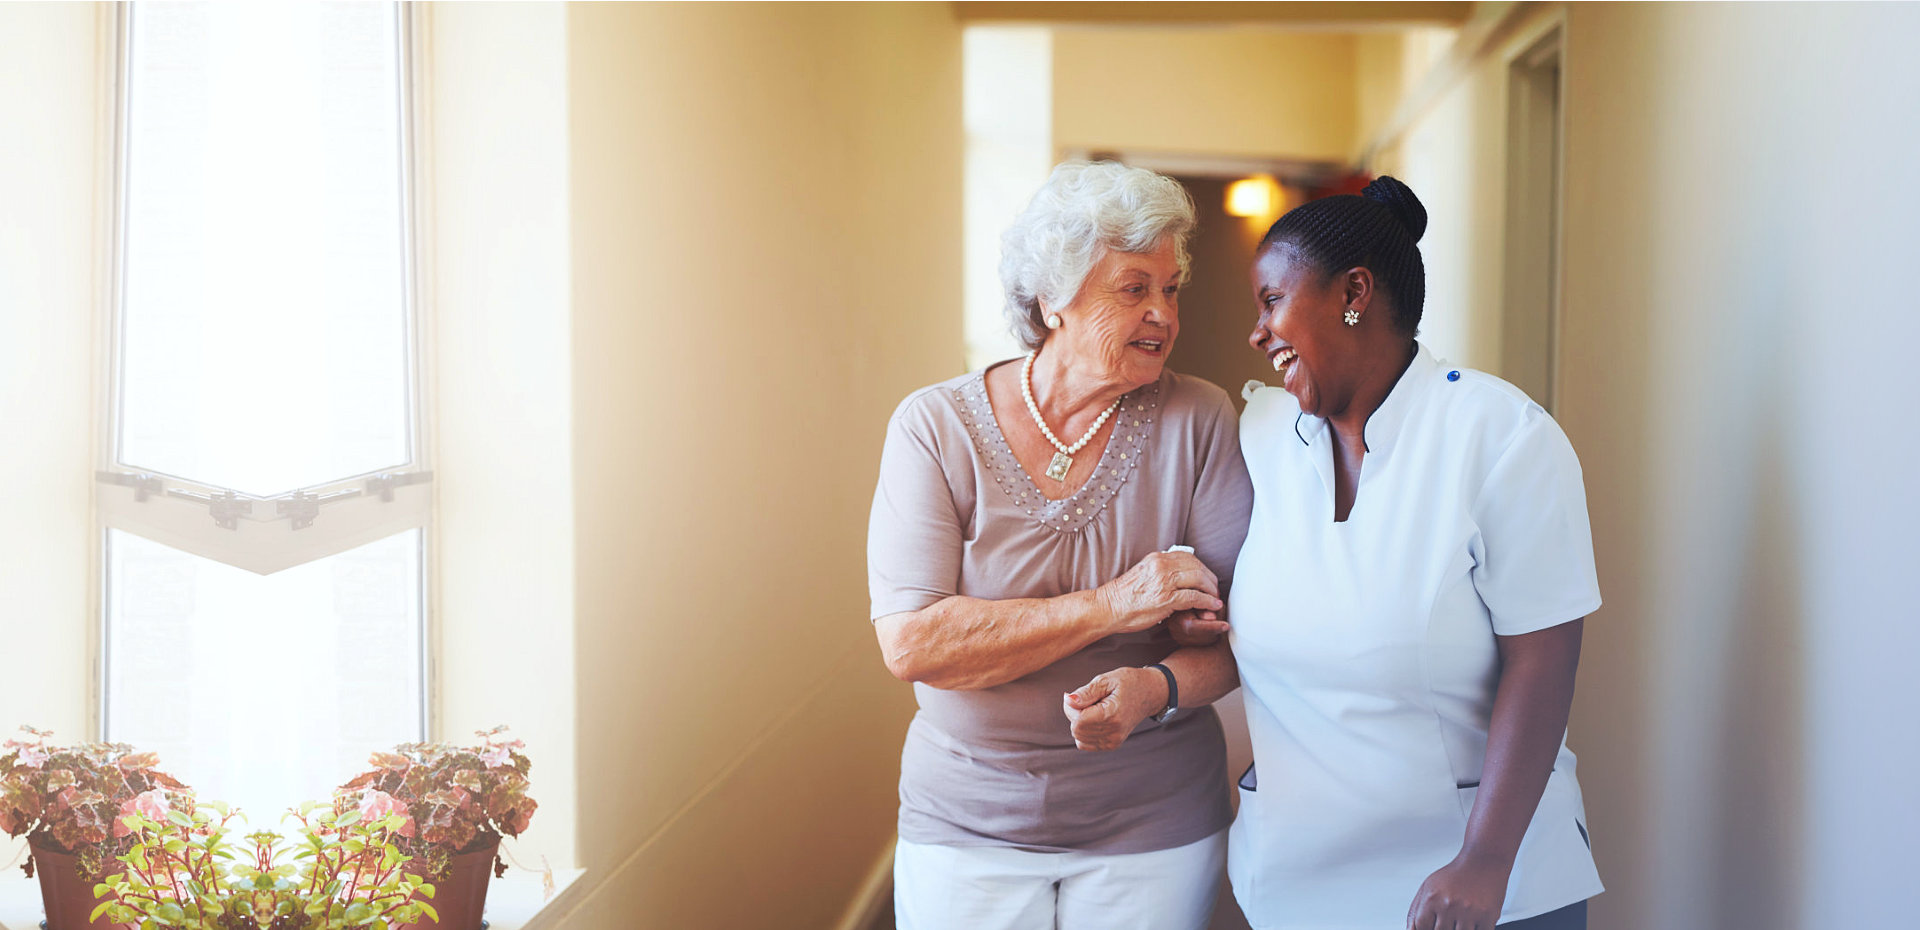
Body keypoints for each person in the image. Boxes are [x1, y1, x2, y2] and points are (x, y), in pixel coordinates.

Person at [1069, 176, 1602, 930]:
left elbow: (1543, 661)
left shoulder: (1502, 437)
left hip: (1476, 886)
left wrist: (1484, 860)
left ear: (1355, 292)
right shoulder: (1259, 437)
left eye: (1272, 300)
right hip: (1299, 881)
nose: (1258, 332)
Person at [866, 161, 1254, 930]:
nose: (1163, 315)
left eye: (1171, 288)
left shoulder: (1200, 420)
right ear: (1052, 299)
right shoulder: (935, 428)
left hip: (1154, 822)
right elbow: (913, 644)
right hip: (966, 823)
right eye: (1133, 288)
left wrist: (1156, 689)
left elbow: (1244, 636)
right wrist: (1116, 607)